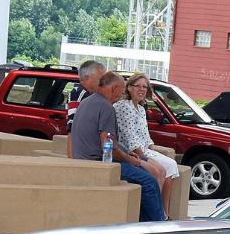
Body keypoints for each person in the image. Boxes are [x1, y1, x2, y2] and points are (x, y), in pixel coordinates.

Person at [68, 71, 166, 222]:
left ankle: (148, 220)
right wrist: (130, 159)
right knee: (149, 181)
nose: (121, 96)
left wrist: (126, 154)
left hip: (83, 159)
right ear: (114, 88)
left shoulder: (87, 102)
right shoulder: (106, 107)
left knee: (144, 175)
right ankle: (157, 223)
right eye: (120, 92)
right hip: (98, 163)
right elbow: (108, 147)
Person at [115, 73, 179, 214]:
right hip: (131, 152)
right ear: (129, 88)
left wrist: (154, 151)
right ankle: (156, 213)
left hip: (144, 148)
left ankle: (164, 212)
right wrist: (145, 157)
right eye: (138, 86)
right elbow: (129, 138)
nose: (142, 89)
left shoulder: (141, 108)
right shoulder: (125, 106)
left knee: (171, 165)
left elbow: (146, 136)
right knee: (160, 170)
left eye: (145, 87)